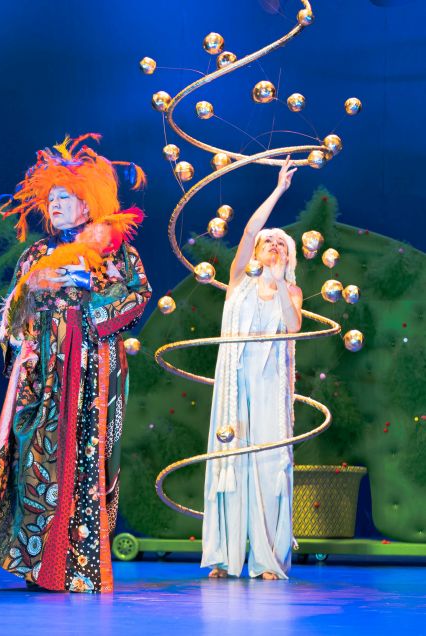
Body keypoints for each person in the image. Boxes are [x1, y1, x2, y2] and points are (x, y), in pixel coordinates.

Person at [0, 134, 151, 593]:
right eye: (50, 199)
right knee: (35, 459)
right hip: (43, 371)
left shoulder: (115, 250)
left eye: (64, 198)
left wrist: (90, 295)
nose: (54, 206)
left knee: (86, 459)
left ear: (87, 203)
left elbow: (138, 296)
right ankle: (38, 563)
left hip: (91, 367)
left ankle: (78, 566)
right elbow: (9, 319)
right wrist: (27, 303)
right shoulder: (35, 255)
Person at [202, 158, 302, 580]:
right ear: (256, 252)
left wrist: (278, 283)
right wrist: (278, 190)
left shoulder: (290, 289)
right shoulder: (239, 281)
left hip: (269, 385)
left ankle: (268, 558)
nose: (274, 246)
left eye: (281, 244)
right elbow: (247, 231)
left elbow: (293, 327)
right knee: (229, 461)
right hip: (234, 381)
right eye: (268, 242)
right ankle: (225, 557)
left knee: (268, 463)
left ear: (288, 256)